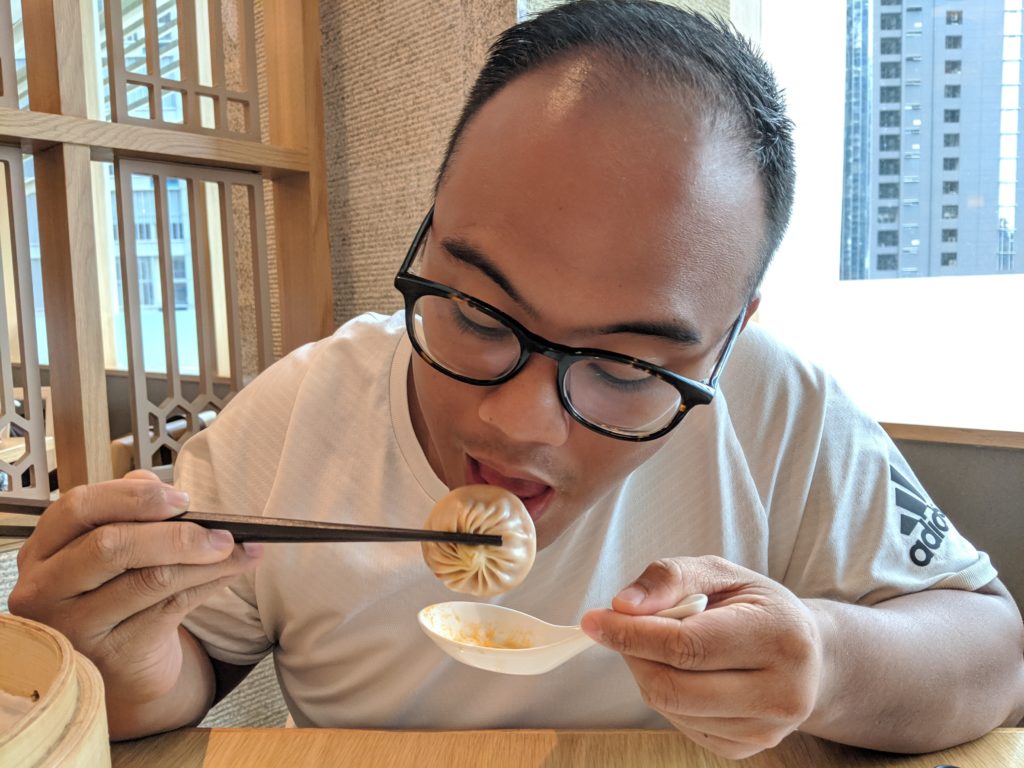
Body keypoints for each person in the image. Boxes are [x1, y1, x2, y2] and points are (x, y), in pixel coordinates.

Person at [10, 1, 1024, 760]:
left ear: (725, 337)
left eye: (628, 363)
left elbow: (991, 656)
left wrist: (830, 661)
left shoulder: (780, 407)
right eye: (482, 313)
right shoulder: (301, 412)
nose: (517, 418)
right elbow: (184, 678)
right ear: (431, 228)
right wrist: (123, 651)